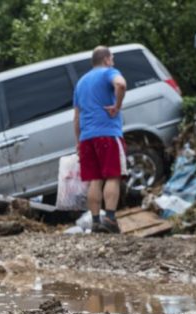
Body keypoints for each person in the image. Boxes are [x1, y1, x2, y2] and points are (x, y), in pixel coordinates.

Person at [73, 46, 128, 233]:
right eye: (111, 58)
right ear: (106, 59)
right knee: (113, 176)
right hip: (107, 134)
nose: (113, 61)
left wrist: (78, 141)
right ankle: (110, 219)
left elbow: (76, 117)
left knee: (94, 180)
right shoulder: (109, 72)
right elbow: (121, 85)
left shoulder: (80, 83)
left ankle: (96, 222)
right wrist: (117, 106)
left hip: (87, 138)